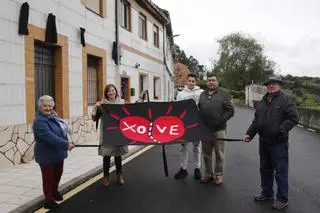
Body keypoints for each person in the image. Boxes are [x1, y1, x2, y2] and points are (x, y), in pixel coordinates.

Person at [244, 76, 299, 210]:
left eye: (274, 84)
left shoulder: (286, 100)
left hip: (278, 143)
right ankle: (267, 193)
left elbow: (293, 118)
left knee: (280, 171)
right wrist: (250, 133)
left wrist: (281, 129)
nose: (271, 86)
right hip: (264, 142)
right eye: (269, 84)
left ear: (280, 85)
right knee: (265, 169)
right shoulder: (263, 101)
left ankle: (282, 198)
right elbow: (257, 121)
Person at [92, 84, 146, 187]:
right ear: (106, 93)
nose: (111, 92)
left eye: (112, 90)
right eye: (108, 91)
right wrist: (96, 107)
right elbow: (94, 118)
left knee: (118, 156)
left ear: (116, 91)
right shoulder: (103, 104)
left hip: (119, 133)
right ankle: (106, 177)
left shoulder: (122, 102)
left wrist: (140, 97)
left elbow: (133, 108)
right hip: (107, 134)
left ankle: (119, 175)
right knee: (106, 156)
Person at [33, 95, 74, 210]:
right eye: (45, 106)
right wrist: (66, 145)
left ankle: (54, 191)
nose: (48, 108)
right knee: (48, 178)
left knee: (58, 173)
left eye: (50, 105)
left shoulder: (53, 117)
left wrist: (67, 142)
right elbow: (50, 137)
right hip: (46, 155)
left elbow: (61, 131)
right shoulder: (40, 121)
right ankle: (48, 200)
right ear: (40, 107)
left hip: (57, 152)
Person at [198, 73, 234, 185]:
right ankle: (208, 174)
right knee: (206, 153)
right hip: (205, 130)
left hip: (219, 130)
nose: (211, 82)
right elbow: (199, 109)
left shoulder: (224, 94)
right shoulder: (202, 94)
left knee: (219, 154)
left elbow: (230, 111)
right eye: (209, 80)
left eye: (213, 80)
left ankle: (218, 175)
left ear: (217, 82)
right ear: (206, 82)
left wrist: (220, 120)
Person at [174, 73, 204, 180]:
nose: (191, 83)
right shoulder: (181, 94)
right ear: (186, 81)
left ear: (196, 82)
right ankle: (183, 169)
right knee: (184, 148)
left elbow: (204, 107)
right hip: (184, 124)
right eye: (189, 81)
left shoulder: (201, 93)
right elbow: (177, 108)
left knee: (197, 147)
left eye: (193, 81)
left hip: (196, 124)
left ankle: (197, 169)